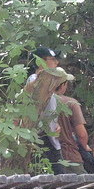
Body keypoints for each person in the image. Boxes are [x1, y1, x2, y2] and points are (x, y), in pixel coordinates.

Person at [26, 46, 64, 174]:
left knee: (60, 177)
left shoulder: (49, 85)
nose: (56, 62)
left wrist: (56, 123)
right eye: (52, 59)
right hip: (40, 138)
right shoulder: (34, 79)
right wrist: (39, 78)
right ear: (41, 61)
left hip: (51, 139)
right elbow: (29, 89)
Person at [52, 69, 90, 174]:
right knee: (84, 186)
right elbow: (82, 134)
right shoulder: (71, 103)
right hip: (70, 156)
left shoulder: (40, 102)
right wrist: (84, 147)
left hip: (47, 157)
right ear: (63, 84)